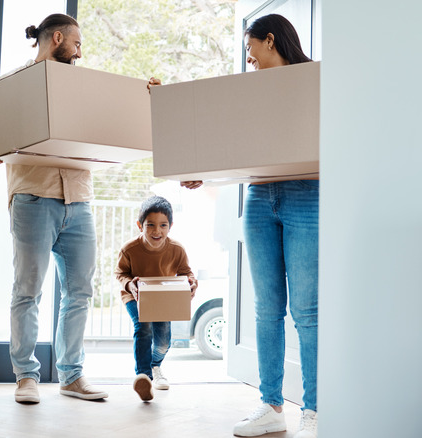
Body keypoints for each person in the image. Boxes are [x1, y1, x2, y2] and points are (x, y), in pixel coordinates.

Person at [177, 14, 319, 438]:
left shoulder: (314, 81)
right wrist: (201, 170)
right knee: (266, 309)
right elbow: (229, 143)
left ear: (270, 41)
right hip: (259, 198)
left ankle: (314, 410)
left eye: (250, 49)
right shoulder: (245, 93)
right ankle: (271, 405)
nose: (249, 58)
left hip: (307, 195)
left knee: (308, 312)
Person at [0, 13, 108, 404]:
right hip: (32, 197)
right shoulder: (14, 84)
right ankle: (26, 377)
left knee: (80, 291)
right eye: (77, 44)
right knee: (27, 290)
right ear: (58, 38)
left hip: (79, 200)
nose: (80, 52)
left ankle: (71, 376)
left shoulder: (84, 87)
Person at [114, 196, 198, 401]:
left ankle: (155, 365)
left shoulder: (176, 249)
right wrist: (130, 285)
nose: (156, 231)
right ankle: (143, 376)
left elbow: (186, 272)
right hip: (135, 295)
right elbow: (120, 273)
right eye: (150, 225)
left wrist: (191, 283)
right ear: (139, 225)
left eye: (163, 225)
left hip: (163, 297)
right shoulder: (129, 249)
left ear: (170, 227)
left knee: (163, 341)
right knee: (143, 327)